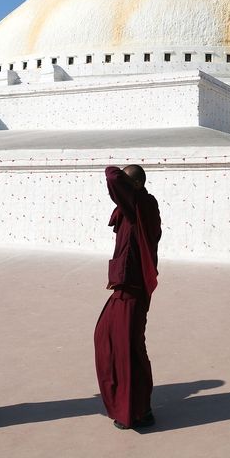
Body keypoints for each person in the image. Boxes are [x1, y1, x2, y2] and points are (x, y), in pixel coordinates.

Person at [94, 164, 162, 430]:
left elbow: (112, 176)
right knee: (107, 337)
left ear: (133, 186)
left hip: (133, 289)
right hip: (124, 288)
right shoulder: (135, 206)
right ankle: (128, 403)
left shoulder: (142, 205)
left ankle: (139, 410)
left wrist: (122, 177)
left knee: (129, 349)